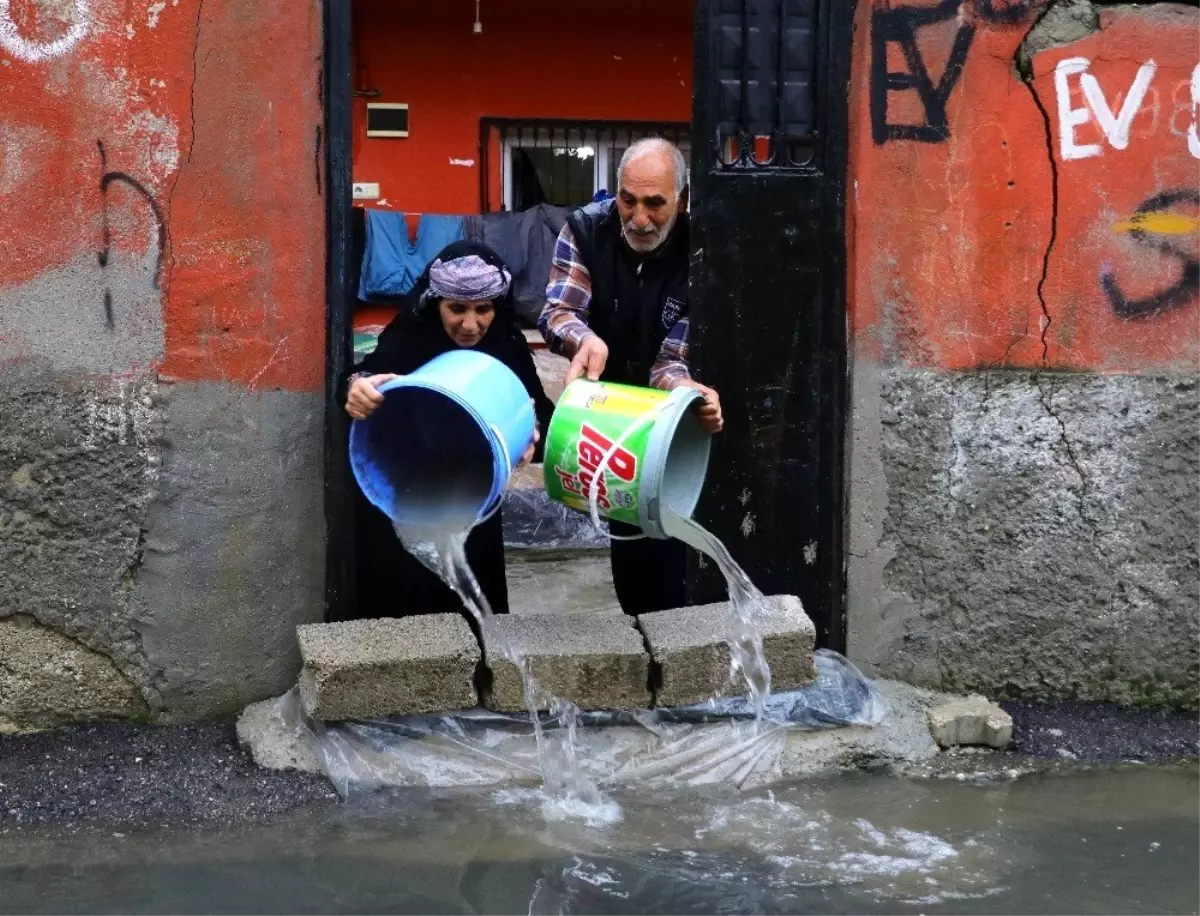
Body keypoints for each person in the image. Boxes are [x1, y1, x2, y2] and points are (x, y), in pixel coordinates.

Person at [538, 138, 723, 617]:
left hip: (683, 429)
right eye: (628, 200)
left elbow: (671, 361)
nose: (639, 218)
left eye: (655, 204)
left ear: (681, 200)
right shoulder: (583, 230)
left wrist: (687, 392)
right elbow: (558, 310)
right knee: (634, 572)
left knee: (687, 571)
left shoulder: (704, 248)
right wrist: (584, 339)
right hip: (616, 429)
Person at [344, 240, 555, 620]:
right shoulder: (410, 335)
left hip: (471, 493)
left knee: (474, 623)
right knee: (401, 619)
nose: (470, 325)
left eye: (484, 309)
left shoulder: (506, 342)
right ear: (435, 302)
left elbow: (538, 413)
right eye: (456, 308)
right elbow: (364, 377)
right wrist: (357, 388)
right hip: (406, 493)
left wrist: (531, 435)